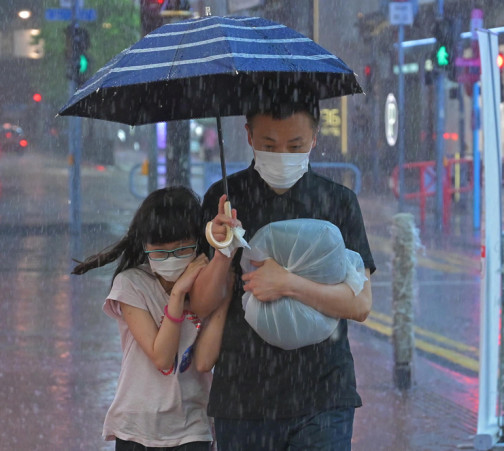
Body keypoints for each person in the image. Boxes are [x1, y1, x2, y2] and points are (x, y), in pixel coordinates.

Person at [189, 93, 376, 451]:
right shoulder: (225, 198)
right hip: (244, 399)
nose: (283, 156)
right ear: (248, 136)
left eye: (295, 145)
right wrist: (222, 254)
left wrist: (288, 284)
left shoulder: (337, 202)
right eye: (270, 145)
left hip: (323, 395)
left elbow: (361, 304)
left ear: (315, 138)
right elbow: (199, 305)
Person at [72, 186, 231, 451]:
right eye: (159, 252)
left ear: (198, 243)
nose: (170, 260)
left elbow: (204, 361)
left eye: (182, 250)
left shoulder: (205, 288)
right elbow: (162, 357)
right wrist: (178, 294)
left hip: (192, 424)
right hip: (137, 427)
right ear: (144, 246)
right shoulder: (131, 285)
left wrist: (222, 281)